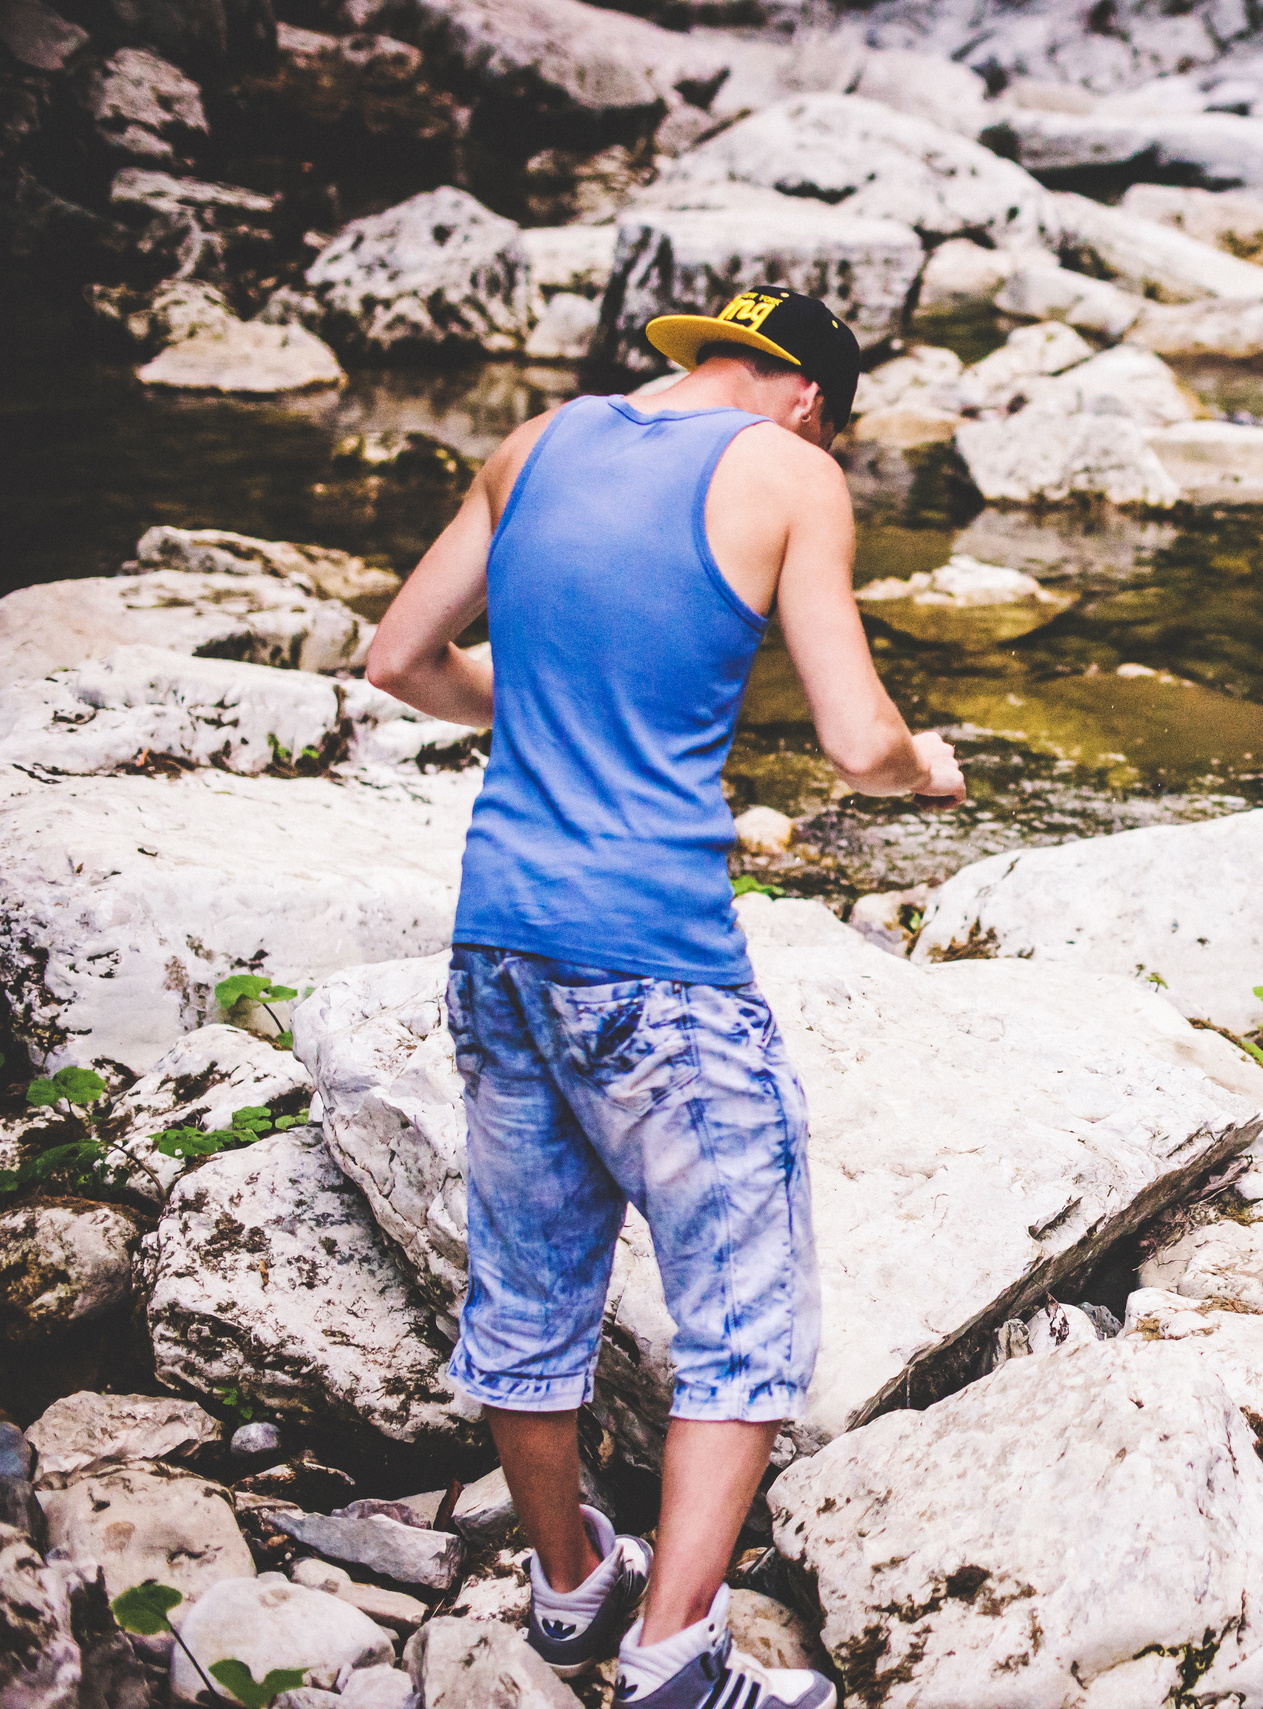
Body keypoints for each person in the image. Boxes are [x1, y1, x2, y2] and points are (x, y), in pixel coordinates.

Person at [367, 285, 963, 1709]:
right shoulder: (793, 473)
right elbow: (852, 736)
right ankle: (675, 1656)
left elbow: (397, 660)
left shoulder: (536, 443)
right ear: (811, 394)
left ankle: (570, 1586)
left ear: (710, 360)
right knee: (743, 1308)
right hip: (657, 961)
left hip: (500, 938)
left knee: (530, 1289)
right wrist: (922, 768)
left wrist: (553, 710)